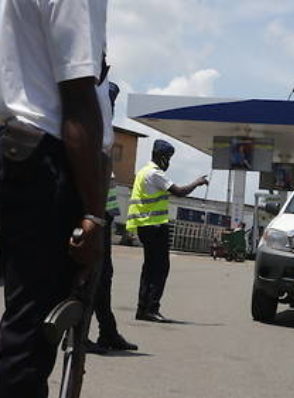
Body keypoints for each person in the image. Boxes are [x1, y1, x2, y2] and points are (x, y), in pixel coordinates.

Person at [0, 1, 110, 396]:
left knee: (22, 324)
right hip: (50, 164)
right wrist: (94, 216)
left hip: (22, 154)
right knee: (31, 336)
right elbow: (78, 97)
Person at [126, 140, 208, 322]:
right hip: (154, 227)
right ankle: (151, 308)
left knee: (149, 269)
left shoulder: (143, 172)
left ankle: (143, 309)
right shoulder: (155, 174)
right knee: (160, 268)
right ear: (161, 157)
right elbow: (179, 191)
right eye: (168, 158)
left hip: (145, 226)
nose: (169, 162)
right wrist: (197, 182)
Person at [87, 82, 138, 353]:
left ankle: (108, 331)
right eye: (110, 101)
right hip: (92, 213)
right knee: (91, 276)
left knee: (103, 276)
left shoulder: (102, 129)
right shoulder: (90, 127)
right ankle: (81, 335)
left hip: (103, 213)